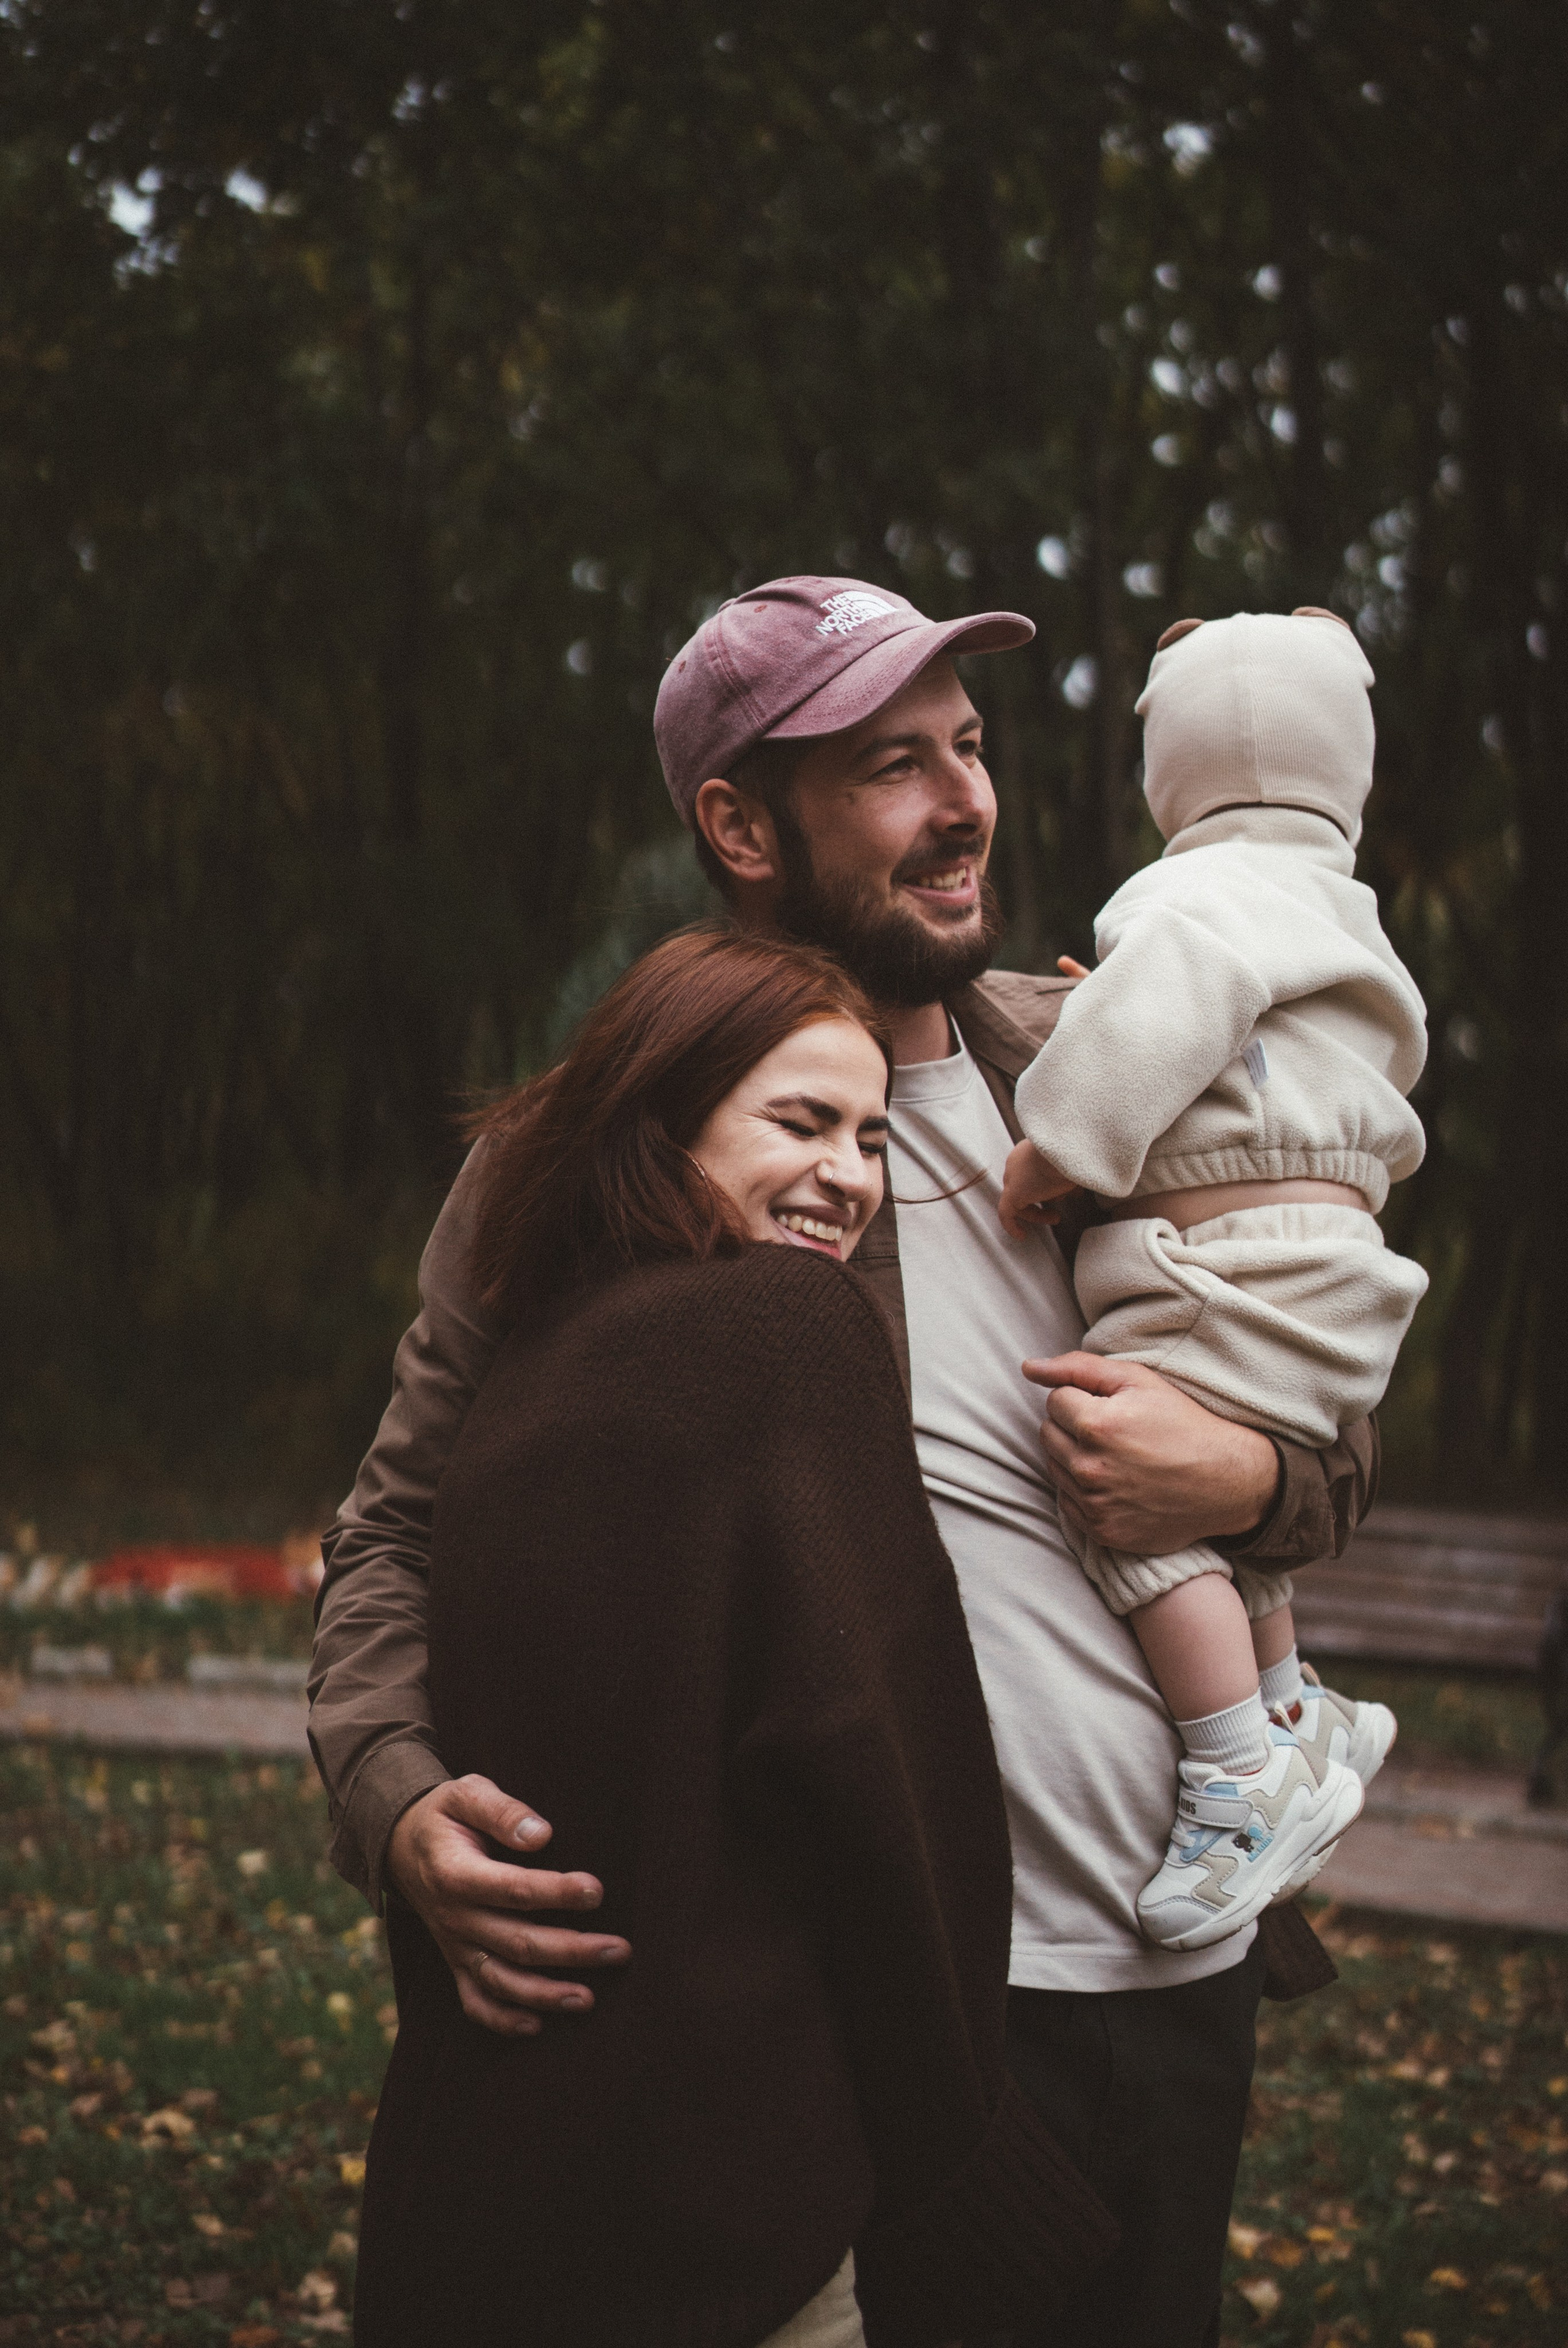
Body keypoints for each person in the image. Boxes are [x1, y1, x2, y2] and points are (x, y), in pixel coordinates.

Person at [309, 575, 1380, 2348]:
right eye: (893, 764)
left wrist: (1248, 1484)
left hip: (1179, 1965)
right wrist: (394, 1792)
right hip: (885, 2001)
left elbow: (1328, 1431)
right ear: (740, 822)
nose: (964, 799)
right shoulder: (606, 1161)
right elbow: (401, 1521)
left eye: (969, 748)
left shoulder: (1117, 1073)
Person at [352, 927, 1115, 2348]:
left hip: (466, 2198)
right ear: (658, 1121)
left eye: (873, 1134)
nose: (851, 1174)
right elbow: (897, 1797)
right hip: (715, 2227)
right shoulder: (789, 1336)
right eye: (799, 1121)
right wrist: (962, 2175)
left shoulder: (526, 1367)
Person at [998, 608, 1426, 1952]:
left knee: (1121, 1495)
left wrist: (1048, 1146)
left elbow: (1149, 1021)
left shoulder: (1189, 898)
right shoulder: (1341, 912)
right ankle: (1297, 1702)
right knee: (1221, 1443)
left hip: (1217, 1261)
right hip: (1330, 1275)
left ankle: (1236, 1766)